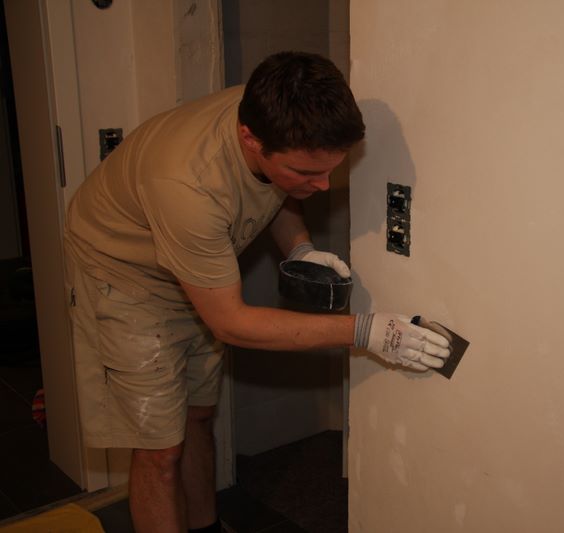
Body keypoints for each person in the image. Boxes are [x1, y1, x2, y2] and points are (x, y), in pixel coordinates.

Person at [63, 51, 450, 533]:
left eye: (329, 168)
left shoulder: (275, 114)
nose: (323, 185)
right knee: (160, 448)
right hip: (125, 276)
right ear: (251, 139)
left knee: (198, 415)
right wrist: (365, 331)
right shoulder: (187, 187)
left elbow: (274, 185)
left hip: (194, 268)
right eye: (306, 173)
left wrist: (301, 247)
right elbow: (231, 322)